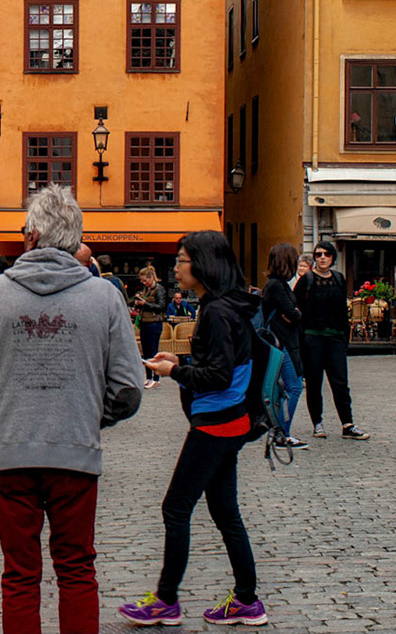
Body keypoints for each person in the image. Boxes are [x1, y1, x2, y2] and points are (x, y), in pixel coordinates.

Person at [0, 185, 145, 634]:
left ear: (33, 235)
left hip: (9, 452)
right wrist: (89, 415)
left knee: (19, 574)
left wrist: (0, 416)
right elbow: (128, 389)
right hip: (74, 451)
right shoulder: (104, 297)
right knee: (77, 568)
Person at [120, 231, 268, 628]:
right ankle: (247, 600)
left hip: (216, 422)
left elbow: (217, 376)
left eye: (182, 260)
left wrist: (175, 371)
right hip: (230, 419)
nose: (176, 267)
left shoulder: (217, 311)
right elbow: (224, 366)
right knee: (225, 512)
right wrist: (180, 360)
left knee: (176, 507)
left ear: (203, 264)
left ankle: (166, 600)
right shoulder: (226, 306)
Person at [296, 242, 368, 440]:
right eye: (318, 254)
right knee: (314, 383)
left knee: (340, 382)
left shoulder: (338, 279)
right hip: (313, 339)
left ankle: (347, 424)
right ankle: (317, 423)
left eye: (327, 254)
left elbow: (343, 312)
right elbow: (297, 310)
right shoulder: (307, 280)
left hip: (335, 338)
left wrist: (344, 338)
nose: (322, 257)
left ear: (333, 257)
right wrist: (303, 339)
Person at [259, 244, 306, 449]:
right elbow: (293, 313)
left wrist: (293, 314)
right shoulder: (277, 286)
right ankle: (281, 432)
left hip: (284, 342)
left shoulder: (277, 285)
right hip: (282, 344)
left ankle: (280, 431)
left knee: (288, 388)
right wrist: (295, 313)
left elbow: (292, 314)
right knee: (293, 386)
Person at [131, 265, 170, 389]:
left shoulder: (160, 290)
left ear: (151, 277)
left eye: (145, 280)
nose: (144, 283)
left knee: (153, 351)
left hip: (154, 322)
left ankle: (156, 378)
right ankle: (148, 377)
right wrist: (137, 303)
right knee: (146, 352)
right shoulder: (145, 290)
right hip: (144, 322)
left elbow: (161, 306)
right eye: (142, 281)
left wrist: (145, 304)